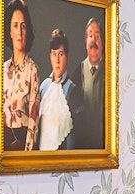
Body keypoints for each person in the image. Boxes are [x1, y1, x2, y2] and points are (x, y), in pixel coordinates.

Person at [2, 0, 40, 151]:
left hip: (21, 148)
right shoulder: (2, 70)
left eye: (23, 26)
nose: (19, 31)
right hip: (1, 149)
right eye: (15, 25)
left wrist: (27, 156)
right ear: (10, 31)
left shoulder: (32, 70)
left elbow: (33, 121)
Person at [37, 29, 84, 150]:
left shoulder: (73, 92)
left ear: (67, 57)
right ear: (50, 56)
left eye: (61, 54)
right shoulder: (43, 87)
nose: (57, 59)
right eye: (54, 54)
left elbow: (74, 139)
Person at [75, 17, 105, 149]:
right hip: (84, 146)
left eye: (97, 36)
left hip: (105, 145)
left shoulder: (111, 71)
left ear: (103, 42)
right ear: (85, 42)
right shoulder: (79, 71)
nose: (94, 40)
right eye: (90, 36)